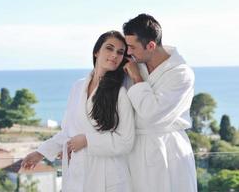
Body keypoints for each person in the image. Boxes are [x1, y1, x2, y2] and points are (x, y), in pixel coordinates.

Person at [21, 31, 135, 192]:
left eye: (120, 52)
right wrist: (41, 152)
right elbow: (67, 132)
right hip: (77, 173)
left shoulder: (120, 93)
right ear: (96, 52)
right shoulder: (78, 87)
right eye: (109, 48)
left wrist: (88, 140)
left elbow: (126, 141)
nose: (114, 55)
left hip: (107, 177)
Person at [122, 13, 197, 192]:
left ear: (151, 45)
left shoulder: (181, 74)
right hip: (133, 150)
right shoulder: (134, 63)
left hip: (168, 151)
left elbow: (151, 114)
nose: (128, 52)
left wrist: (136, 78)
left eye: (132, 47)